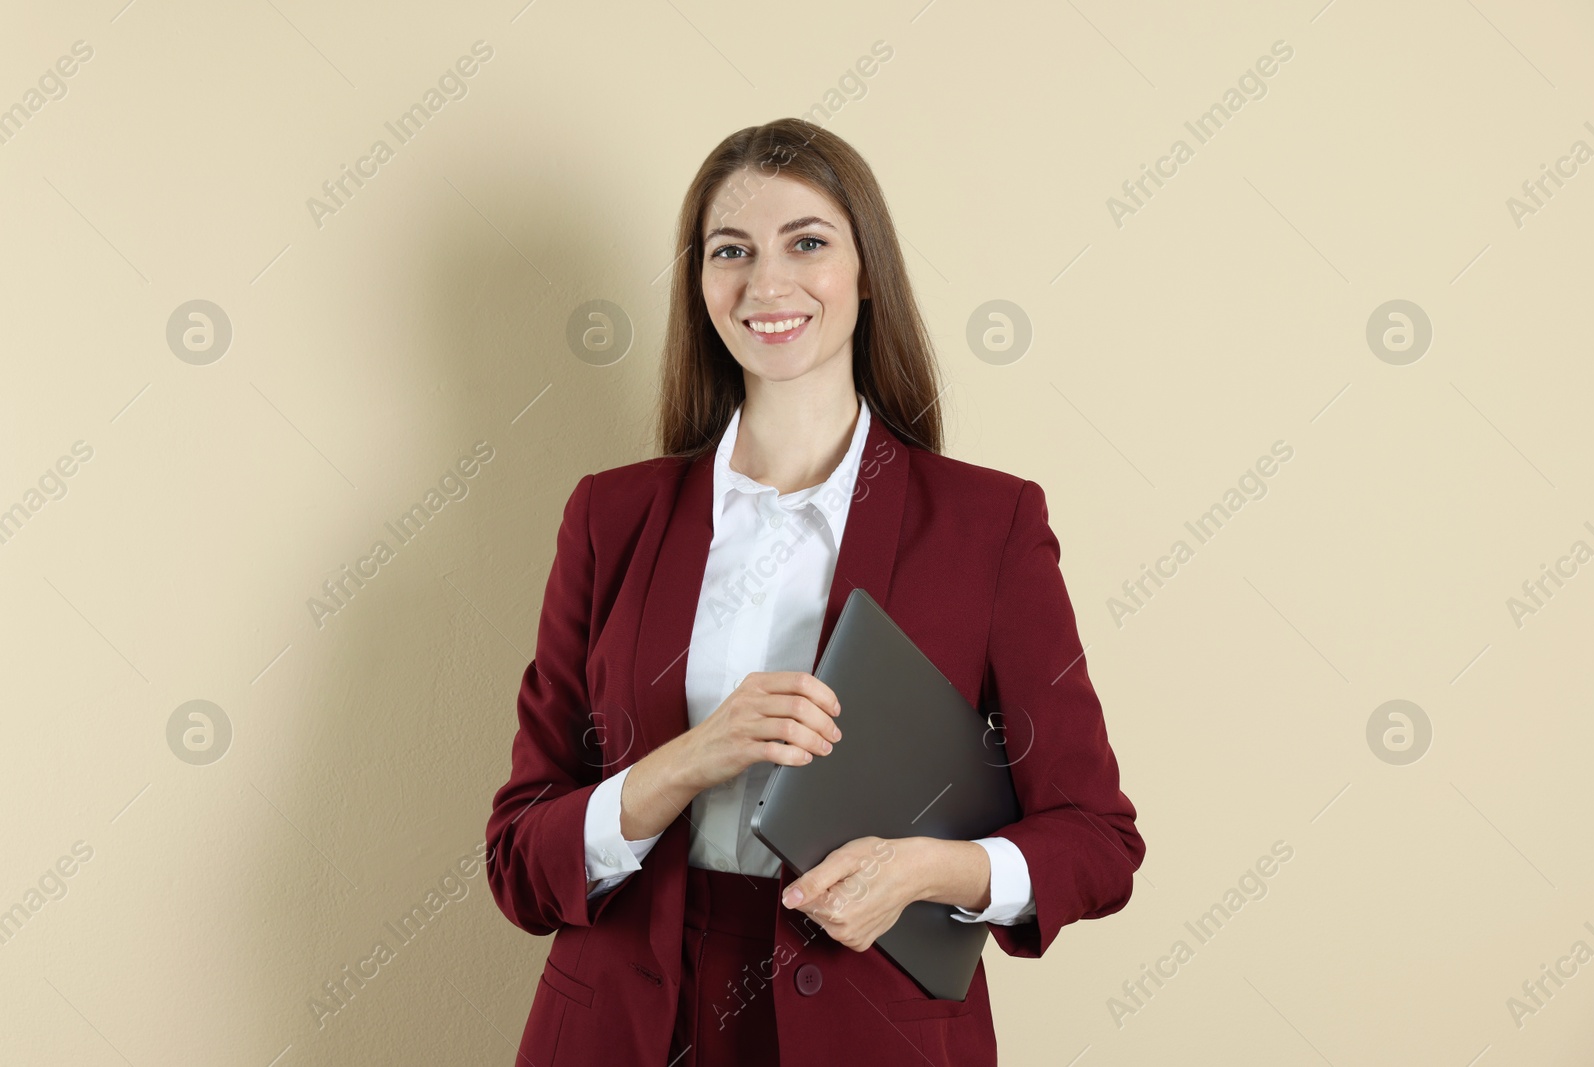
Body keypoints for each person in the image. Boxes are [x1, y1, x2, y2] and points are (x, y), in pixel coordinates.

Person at [484, 117, 1144, 1066]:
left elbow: (1097, 840)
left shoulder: (987, 526)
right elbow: (518, 858)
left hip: (874, 1029)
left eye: (807, 242)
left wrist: (925, 872)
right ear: (701, 282)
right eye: (731, 251)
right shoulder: (609, 517)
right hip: (620, 1028)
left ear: (866, 269)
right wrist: (686, 760)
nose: (767, 283)